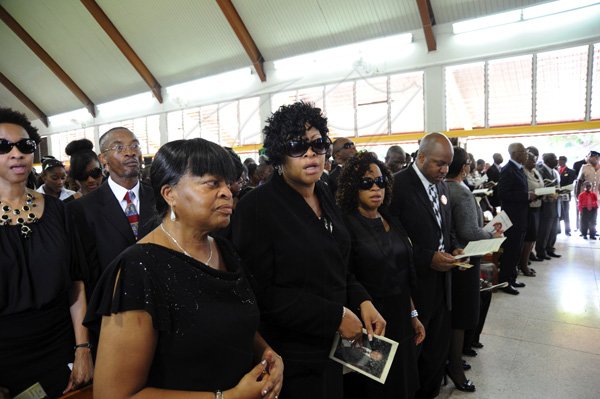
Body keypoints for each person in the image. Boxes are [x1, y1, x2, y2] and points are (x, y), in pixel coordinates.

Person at [84, 138, 283, 399]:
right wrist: (228, 397)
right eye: (212, 183)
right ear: (170, 194)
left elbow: (230, 319)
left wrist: (266, 352)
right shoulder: (138, 268)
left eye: (227, 183)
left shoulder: (225, 251)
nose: (227, 192)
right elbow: (114, 394)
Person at [233, 102, 385, 399]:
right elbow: (259, 292)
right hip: (289, 356)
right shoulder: (257, 207)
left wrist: (362, 300)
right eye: (297, 146)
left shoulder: (325, 193)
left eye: (318, 144)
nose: (311, 153)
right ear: (279, 153)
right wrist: (334, 315)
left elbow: (339, 262)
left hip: (332, 350)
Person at [0, 107, 93, 398]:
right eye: (3, 146)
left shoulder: (58, 211)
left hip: (60, 344)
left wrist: (83, 349)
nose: (17, 154)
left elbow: (76, 283)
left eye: (25, 146)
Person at [337, 151, 424, 399]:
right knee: (374, 390)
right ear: (353, 187)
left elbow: (403, 273)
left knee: (404, 386)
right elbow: (345, 277)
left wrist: (413, 314)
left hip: (400, 320)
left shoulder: (390, 218)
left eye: (380, 181)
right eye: (366, 183)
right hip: (370, 325)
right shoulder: (345, 225)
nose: (375, 188)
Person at [389, 132, 464, 399]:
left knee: (436, 350)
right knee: (414, 352)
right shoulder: (398, 186)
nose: (445, 170)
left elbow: (445, 226)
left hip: (442, 283)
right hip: (414, 286)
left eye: (447, 164)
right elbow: (393, 238)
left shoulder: (441, 185)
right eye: (439, 163)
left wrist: (453, 246)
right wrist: (427, 257)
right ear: (420, 157)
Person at [67, 127, 159, 295]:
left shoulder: (161, 198)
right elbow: (88, 270)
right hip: (112, 303)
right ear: (103, 159)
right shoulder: (82, 209)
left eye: (135, 146)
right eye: (119, 147)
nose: (130, 152)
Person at [445, 147, 502, 393]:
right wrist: (492, 233)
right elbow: (470, 232)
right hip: (465, 258)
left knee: (453, 313)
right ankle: (455, 366)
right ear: (465, 167)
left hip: (451, 257)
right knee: (461, 316)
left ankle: (453, 359)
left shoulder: (442, 187)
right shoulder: (461, 191)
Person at [497, 143, 532, 295]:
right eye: (525, 152)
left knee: (517, 250)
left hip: (521, 215)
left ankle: (512, 278)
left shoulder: (519, 169)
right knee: (511, 250)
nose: (527, 155)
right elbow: (503, 194)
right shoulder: (508, 170)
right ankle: (504, 282)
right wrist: (526, 196)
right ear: (516, 153)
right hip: (512, 218)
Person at [520, 152, 543, 273]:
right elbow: (525, 189)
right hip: (528, 207)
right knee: (528, 237)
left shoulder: (535, 171)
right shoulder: (522, 171)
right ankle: (523, 265)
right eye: (532, 160)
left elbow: (539, 184)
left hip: (537, 206)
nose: (534, 162)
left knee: (533, 236)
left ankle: (526, 260)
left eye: (535, 160)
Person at [535, 153, 561, 259]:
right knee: (544, 230)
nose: (557, 160)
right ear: (548, 160)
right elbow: (540, 187)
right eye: (554, 158)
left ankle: (550, 248)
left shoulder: (555, 171)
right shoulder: (540, 171)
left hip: (555, 202)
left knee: (553, 229)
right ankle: (541, 251)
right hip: (546, 204)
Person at [558, 156, 577, 236]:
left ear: (564, 161)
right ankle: (557, 229)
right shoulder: (555, 170)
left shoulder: (571, 171)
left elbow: (570, 184)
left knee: (566, 212)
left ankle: (567, 230)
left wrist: (561, 190)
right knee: (557, 212)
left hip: (565, 194)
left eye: (560, 161)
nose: (559, 162)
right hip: (555, 195)